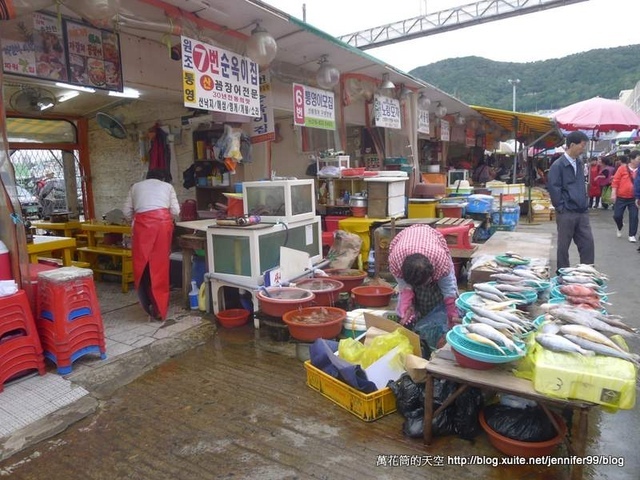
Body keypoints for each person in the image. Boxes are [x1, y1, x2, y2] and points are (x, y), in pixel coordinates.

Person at [388, 224, 459, 358]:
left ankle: (431, 335)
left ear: (432, 274)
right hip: (407, 244)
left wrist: (452, 316)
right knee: (407, 306)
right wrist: (406, 307)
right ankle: (417, 333)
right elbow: (404, 287)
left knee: (441, 305)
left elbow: (449, 290)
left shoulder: (440, 261)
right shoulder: (396, 260)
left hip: (431, 244)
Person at [123, 169, 180, 321]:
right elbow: (175, 210)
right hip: (162, 226)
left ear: (146, 177)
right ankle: (160, 308)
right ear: (162, 178)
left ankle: (147, 303)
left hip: (142, 227)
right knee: (160, 267)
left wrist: (135, 219)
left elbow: (126, 212)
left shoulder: (135, 187)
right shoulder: (167, 187)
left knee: (143, 265)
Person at [546, 131, 594, 270]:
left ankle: (587, 273)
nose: (583, 148)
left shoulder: (579, 163)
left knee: (588, 244)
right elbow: (554, 189)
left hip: (581, 211)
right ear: (572, 145)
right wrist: (561, 207)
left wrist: (585, 204)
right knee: (563, 246)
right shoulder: (558, 165)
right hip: (566, 212)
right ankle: (563, 274)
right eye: (582, 145)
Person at [610, 151, 639, 243]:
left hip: (634, 198)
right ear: (632, 159)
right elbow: (616, 181)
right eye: (638, 159)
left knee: (634, 216)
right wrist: (613, 193)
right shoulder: (622, 169)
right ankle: (620, 225)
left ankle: (632, 235)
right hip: (621, 197)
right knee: (617, 216)